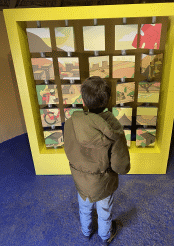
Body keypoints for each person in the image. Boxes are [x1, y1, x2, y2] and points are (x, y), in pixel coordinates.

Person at [64, 76, 130, 245]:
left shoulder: (71, 123)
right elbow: (120, 164)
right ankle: (105, 235)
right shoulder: (114, 129)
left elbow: (69, 150)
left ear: (83, 102)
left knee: (84, 207)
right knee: (104, 210)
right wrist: (123, 169)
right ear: (108, 101)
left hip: (81, 179)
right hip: (103, 182)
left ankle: (86, 231)